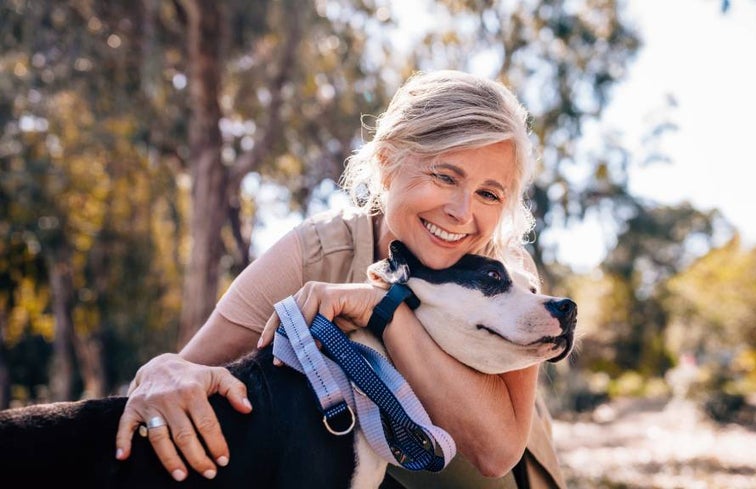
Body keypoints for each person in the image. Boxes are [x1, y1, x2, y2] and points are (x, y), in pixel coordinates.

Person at [114, 70, 568, 489]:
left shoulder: (509, 277)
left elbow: (496, 453)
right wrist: (162, 371)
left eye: (488, 193)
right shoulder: (316, 252)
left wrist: (381, 309)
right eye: (445, 177)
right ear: (389, 162)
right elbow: (189, 369)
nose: (462, 212)